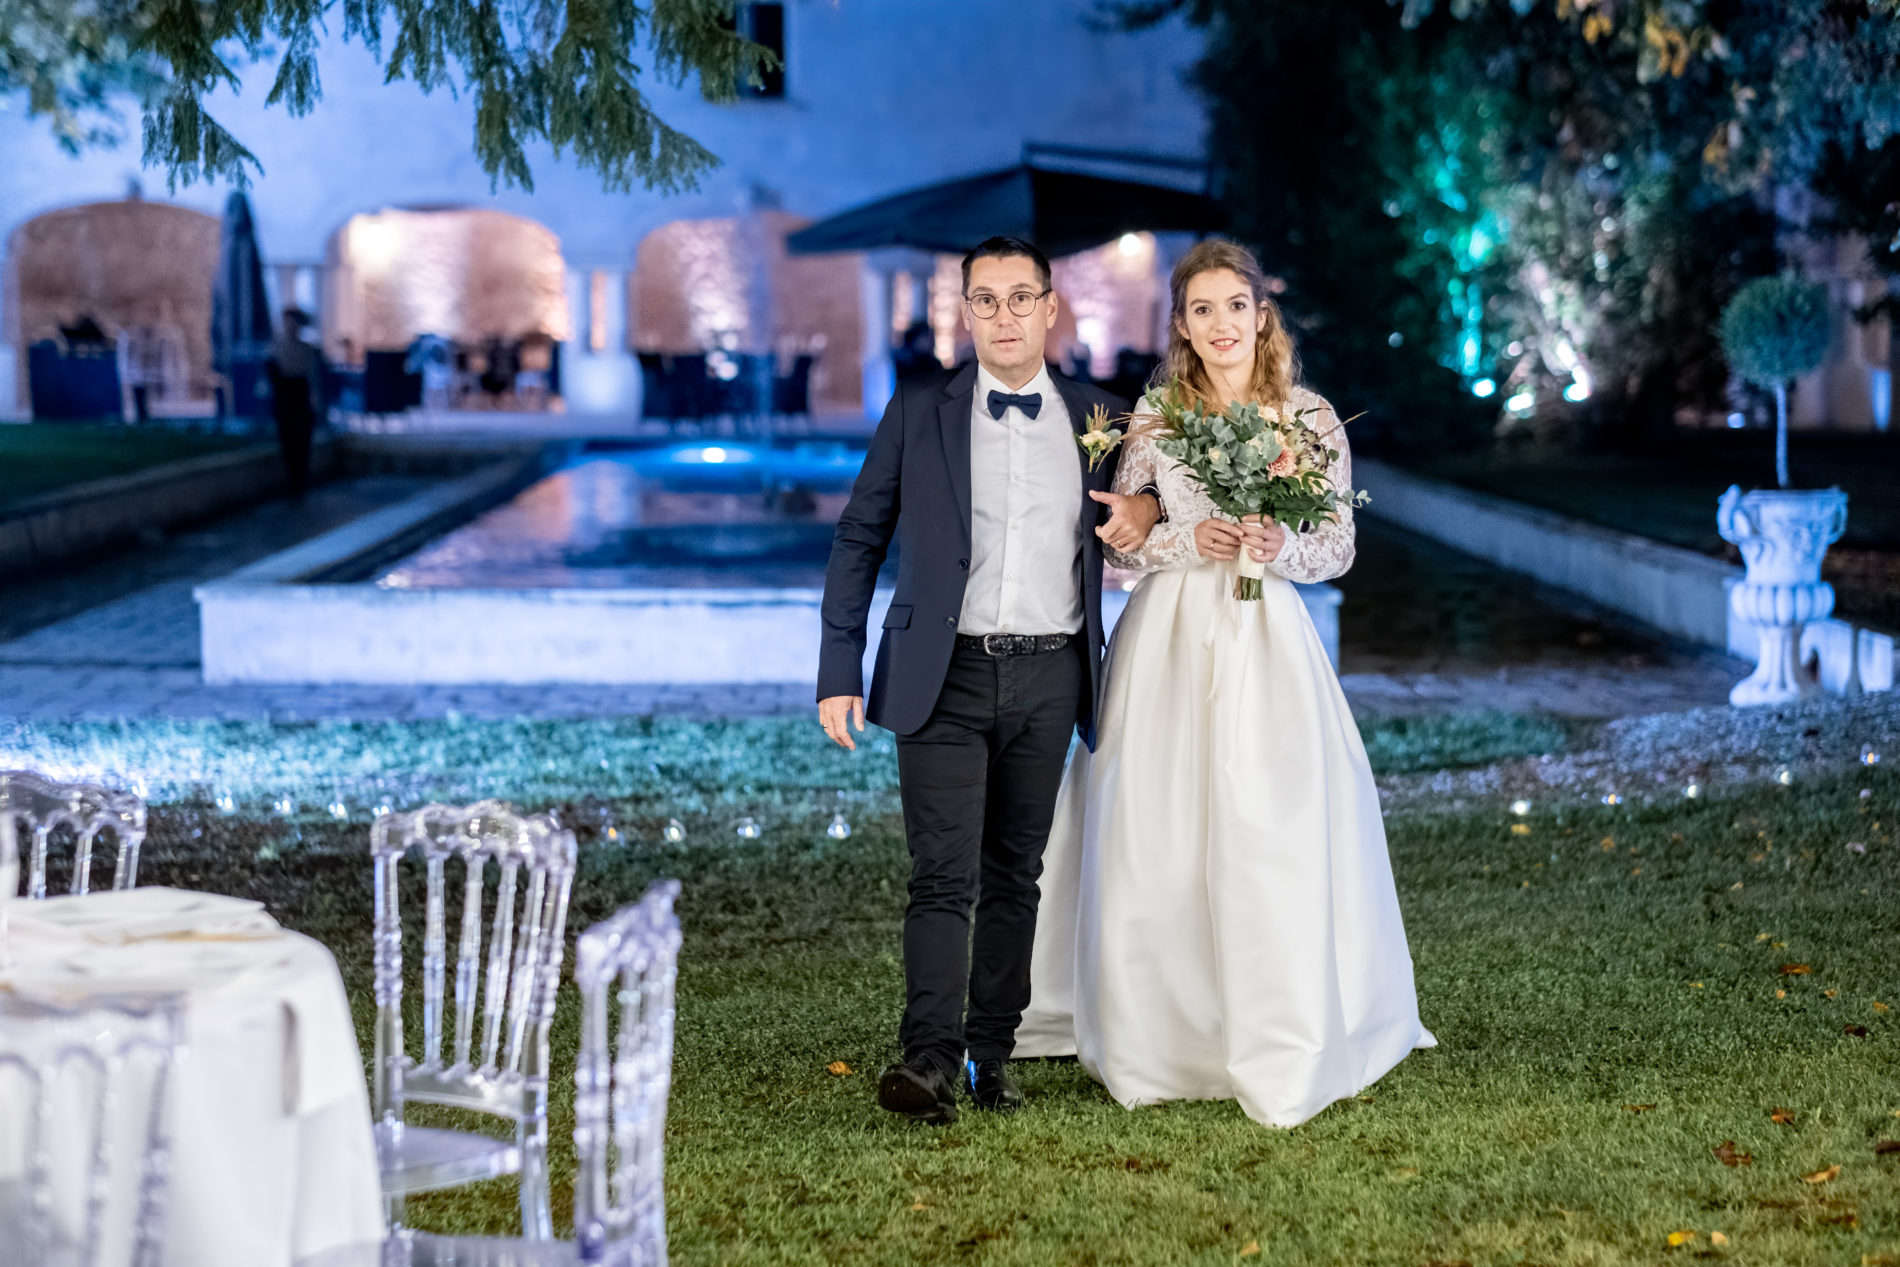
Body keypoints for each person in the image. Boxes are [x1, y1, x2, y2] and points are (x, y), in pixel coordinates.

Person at [1016, 237, 1434, 1128]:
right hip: (1166, 641)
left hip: (1266, 639)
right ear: (1181, 324)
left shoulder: (1310, 418)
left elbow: (1338, 547)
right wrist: (1180, 539)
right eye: (1200, 311)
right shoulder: (1159, 413)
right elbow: (1117, 541)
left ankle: (1281, 1017)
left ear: (1260, 313)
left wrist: (1277, 545)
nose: (1219, 326)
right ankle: (1159, 1033)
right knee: (1157, 823)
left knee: (1266, 819)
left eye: (1233, 307)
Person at [817, 236, 1164, 1124]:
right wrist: (836, 668)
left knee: (1017, 873)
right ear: (964, 311)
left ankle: (991, 1053)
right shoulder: (919, 408)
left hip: (1052, 670)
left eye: (1021, 298)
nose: (1004, 316)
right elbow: (860, 536)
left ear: (1051, 309)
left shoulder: (1104, 419)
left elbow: (1169, 502)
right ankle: (926, 1059)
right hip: (945, 672)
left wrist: (1152, 506)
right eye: (986, 299)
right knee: (941, 874)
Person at [265, 308, 324, 501]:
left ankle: (300, 483)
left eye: (292, 322)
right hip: (285, 398)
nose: (289, 327)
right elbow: (270, 375)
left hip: (299, 397)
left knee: (302, 442)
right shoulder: (276, 348)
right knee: (288, 441)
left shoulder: (306, 350)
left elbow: (313, 378)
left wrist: (315, 402)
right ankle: (294, 483)